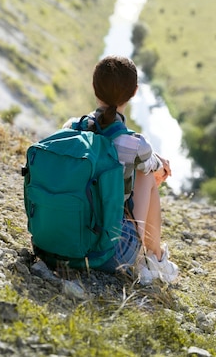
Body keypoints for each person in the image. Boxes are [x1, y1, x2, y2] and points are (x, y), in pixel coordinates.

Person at [63, 55, 179, 285]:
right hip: (108, 254)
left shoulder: (71, 128)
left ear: (94, 88)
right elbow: (156, 170)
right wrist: (159, 163)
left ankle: (153, 258)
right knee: (145, 177)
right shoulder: (136, 145)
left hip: (63, 239)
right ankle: (154, 259)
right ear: (134, 92)